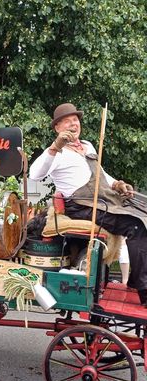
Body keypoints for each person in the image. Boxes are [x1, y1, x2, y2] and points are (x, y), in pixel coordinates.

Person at [29, 102, 147, 306]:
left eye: (76, 120)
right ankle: (144, 288)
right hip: (82, 206)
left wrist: (117, 184)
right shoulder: (58, 153)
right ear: (57, 127)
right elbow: (35, 174)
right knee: (135, 224)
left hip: (103, 201)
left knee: (143, 212)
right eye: (67, 121)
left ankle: (139, 280)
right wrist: (55, 147)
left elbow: (101, 176)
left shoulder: (88, 146)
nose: (74, 124)